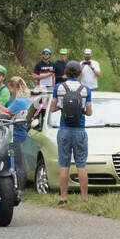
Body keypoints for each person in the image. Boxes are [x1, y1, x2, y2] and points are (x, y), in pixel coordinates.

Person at [50, 60, 92, 203]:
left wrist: (63, 108)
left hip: (64, 129)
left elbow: (52, 108)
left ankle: (63, 197)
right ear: (79, 73)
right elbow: (89, 112)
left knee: (64, 164)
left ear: (66, 73)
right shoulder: (86, 89)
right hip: (80, 130)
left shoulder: (58, 87)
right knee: (81, 164)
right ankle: (85, 198)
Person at [2, 76, 30, 193]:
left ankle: (20, 190)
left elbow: (6, 113)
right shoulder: (15, 100)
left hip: (16, 135)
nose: (9, 91)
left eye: (10, 88)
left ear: (15, 86)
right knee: (13, 162)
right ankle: (12, 188)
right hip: (11, 134)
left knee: (18, 163)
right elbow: (6, 110)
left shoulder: (20, 100)